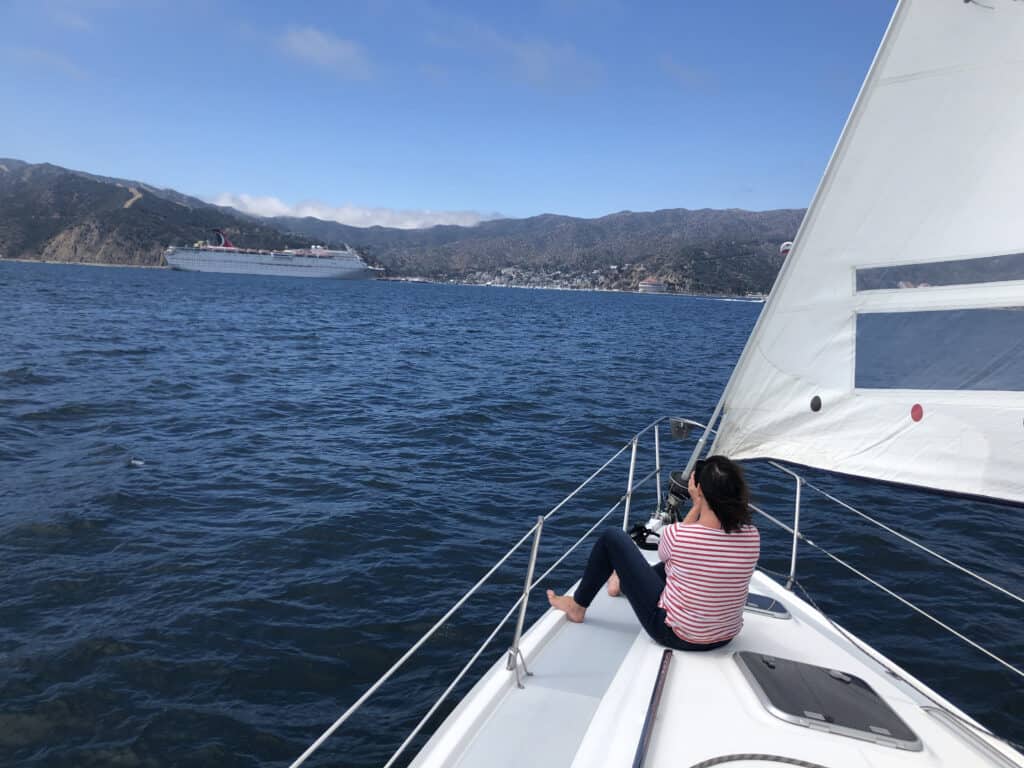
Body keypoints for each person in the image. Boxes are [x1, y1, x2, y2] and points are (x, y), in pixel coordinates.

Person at [547, 455, 760, 651]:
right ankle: (619, 583)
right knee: (683, 565)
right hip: (724, 636)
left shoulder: (679, 535)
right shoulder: (752, 536)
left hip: (675, 635)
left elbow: (669, 557)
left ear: (699, 491)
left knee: (612, 538)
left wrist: (695, 507)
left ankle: (577, 607)